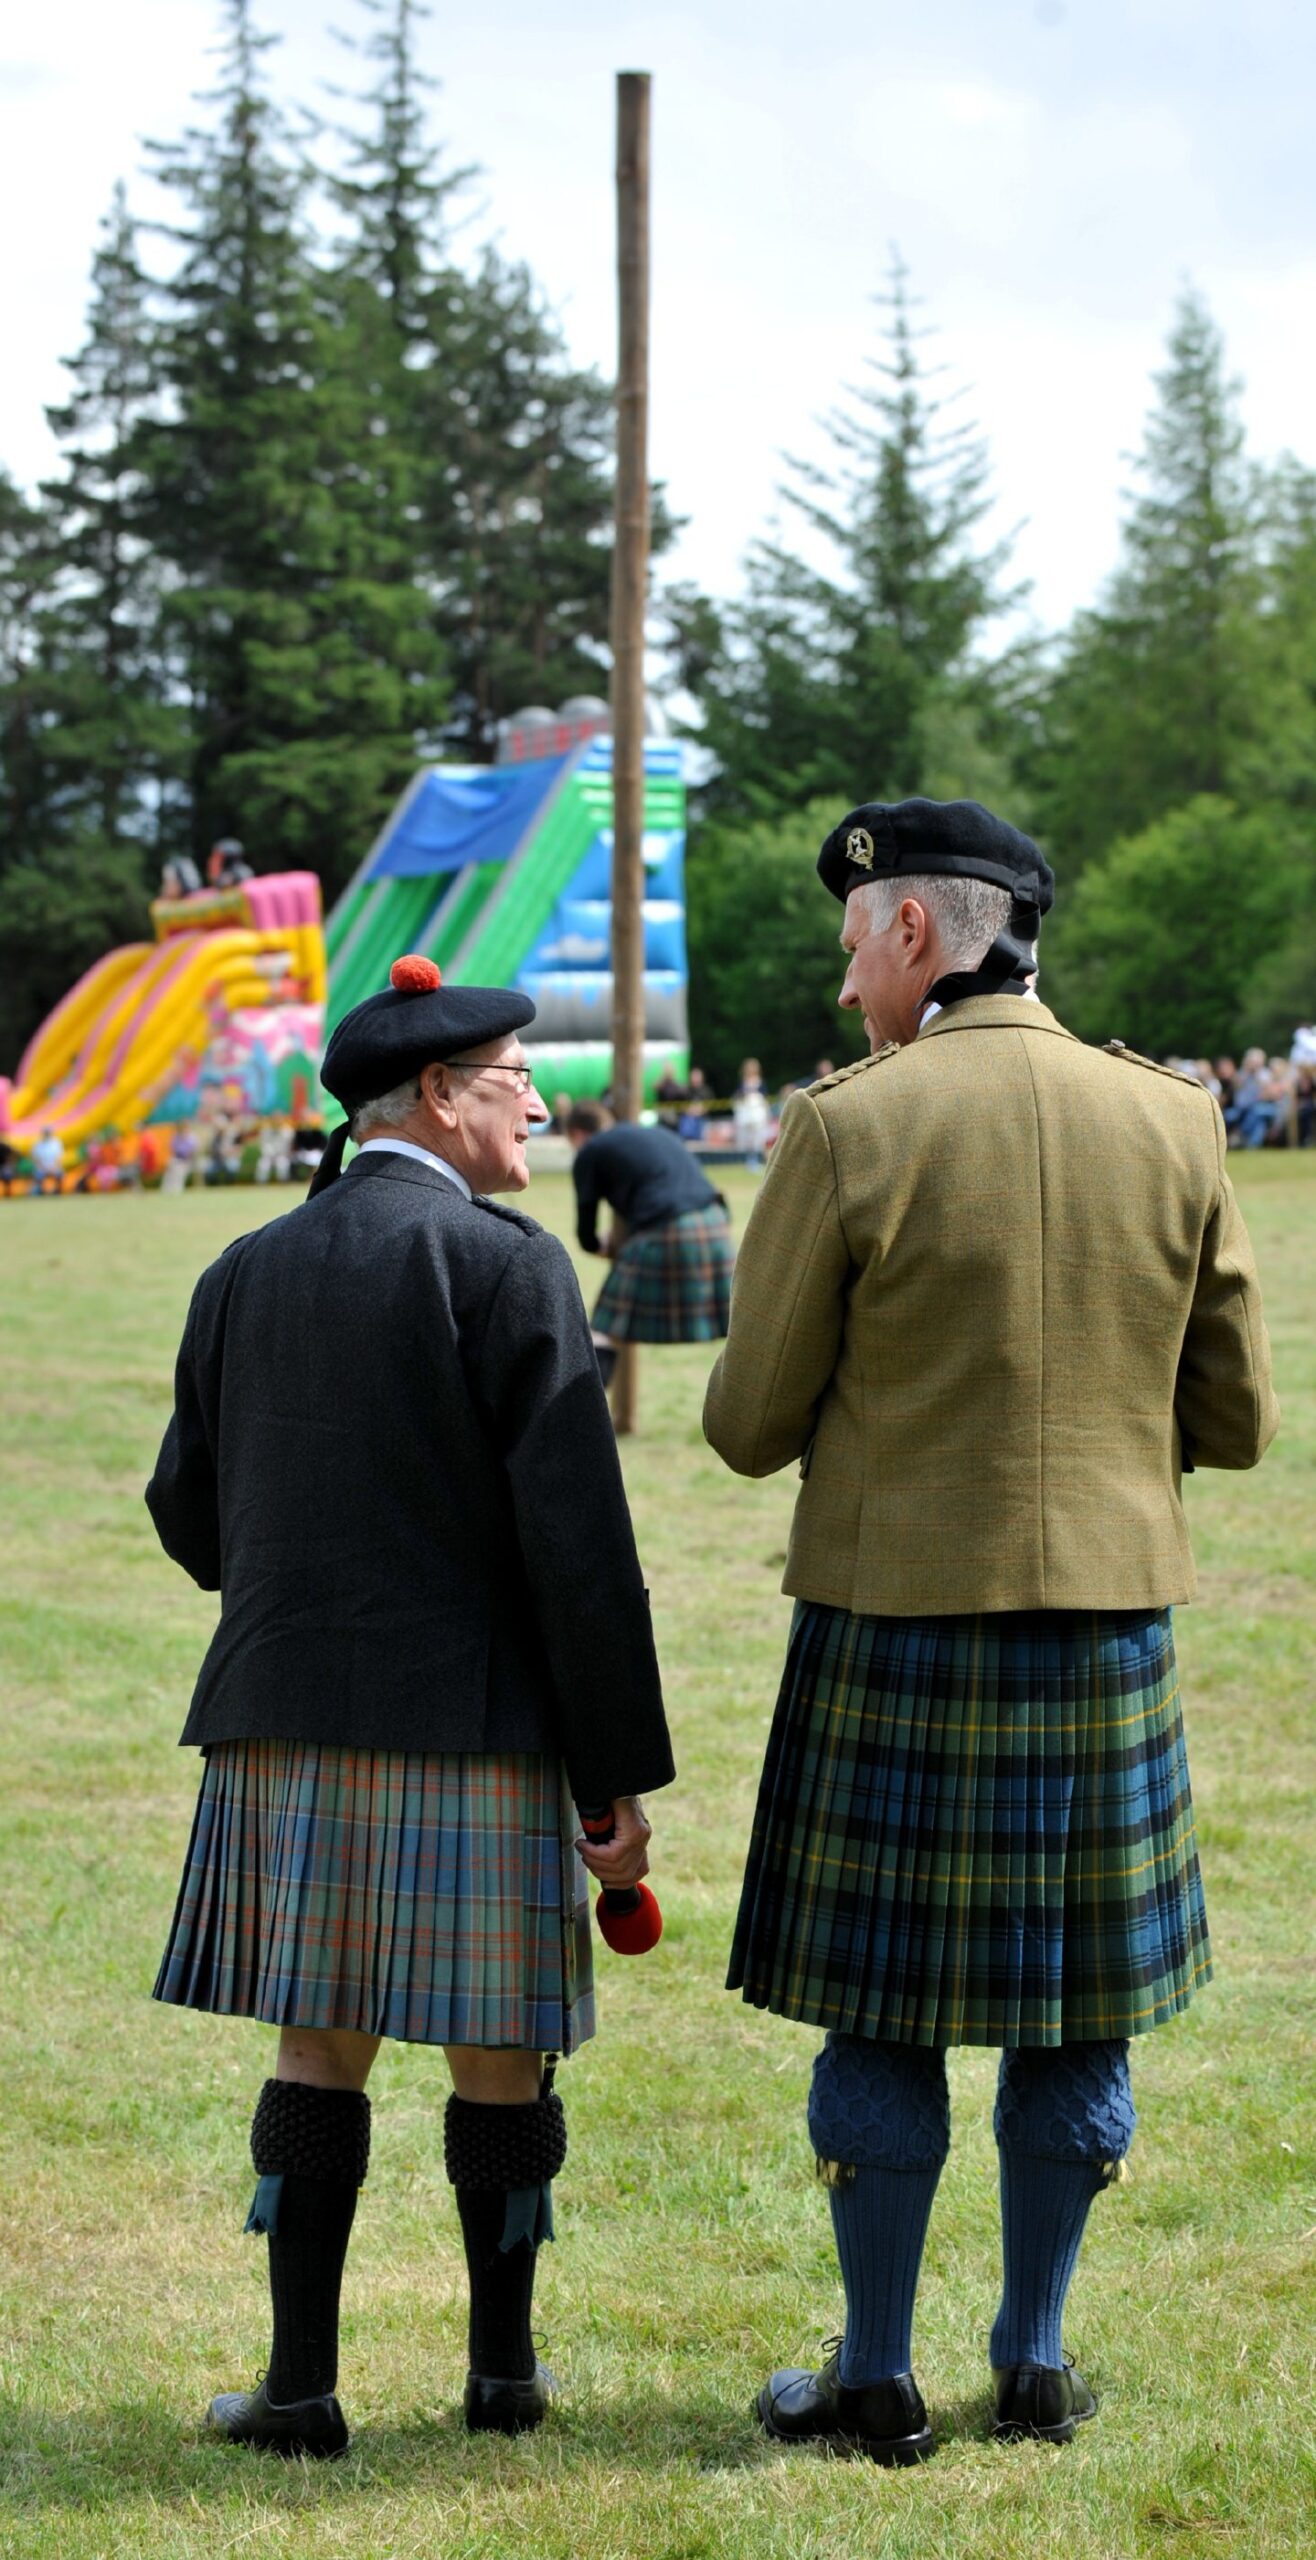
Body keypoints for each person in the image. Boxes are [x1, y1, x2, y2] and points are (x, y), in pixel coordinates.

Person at [703, 796, 1278, 2463]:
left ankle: (874, 2375)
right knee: (1073, 2010)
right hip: (1102, 1638)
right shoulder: (1173, 1121)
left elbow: (746, 1424)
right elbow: (1234, 1421)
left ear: (908, 933)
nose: (838, 992)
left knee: (878, 2013)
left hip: (895, 1628)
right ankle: (1032, 2359)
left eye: (845, 951)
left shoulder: (845, 1127)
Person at [147, 954, 674, 2456]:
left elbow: (187, 1508)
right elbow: (580, 1551)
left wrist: (292, 1598)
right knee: (500, 2060)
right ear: (440, 1099)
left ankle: (301, 2392)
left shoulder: (241, 1267)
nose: (538, 1103)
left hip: (284, 1716)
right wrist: (611, 1781)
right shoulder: (509, 1266)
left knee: (317, 2052)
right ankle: (503, 2383)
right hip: (477, 1727)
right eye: (516, 1080)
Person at [566, 1098, 736, 1381]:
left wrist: (599, 1247)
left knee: (602, 1329)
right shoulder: (655, 1134)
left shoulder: (590, 1151)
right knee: (738, 1326)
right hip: (715, 1224)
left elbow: (586, 1230)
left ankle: (582, 1417)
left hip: (668, 1228)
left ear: (577, 1134)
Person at [30, 1127, 65, 1195]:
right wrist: (44, 1168)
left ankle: (58, 1192)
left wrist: (54, 1168)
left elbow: (59, 1158)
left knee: (60, 1174)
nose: (47, 1134)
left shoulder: (56, 1143)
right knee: (38, 1175)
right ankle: (40, 1192)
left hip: (54, 1168)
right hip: (41, 1169)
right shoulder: (38, 1144)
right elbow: (36, 1159)